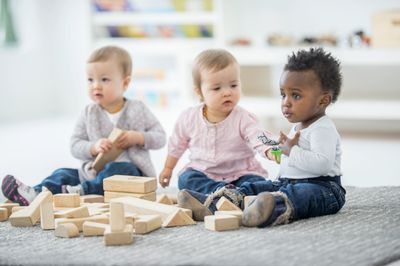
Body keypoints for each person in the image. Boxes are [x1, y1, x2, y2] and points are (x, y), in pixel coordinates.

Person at [178, 47, 346, 226]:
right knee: (256, 187)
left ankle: (271, 209)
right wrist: (278, 150)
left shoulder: (323, 128)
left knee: (301, 195)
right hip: (288, 183)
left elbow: (322, 164)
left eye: (295, 95)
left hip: (324, 188)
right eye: (283, 94)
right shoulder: (299, 126)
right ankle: (218, 203)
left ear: (323, 100)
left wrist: (291, 151)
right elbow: (284, 157)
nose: (286, 102)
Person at [2, 45, 166, 206]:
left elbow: (160, 137)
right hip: (92, 172)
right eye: (90, 80)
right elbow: (75, 145)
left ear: (125, 83)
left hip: (131, 175)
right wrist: (93, 147)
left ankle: (82, 192)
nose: (96, 85)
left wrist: (138, 137)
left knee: (120, 170)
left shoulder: (137, 108)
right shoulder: (89, 112)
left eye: (104, 79)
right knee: (62, 173)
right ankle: (35, 193)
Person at [158, 49, 277, 219]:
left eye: (234, 85)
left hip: (240, 173)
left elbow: (257, 136)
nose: (227, 92)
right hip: (205, 174)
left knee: (260, 184)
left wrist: (270, 150)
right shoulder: (189, 117)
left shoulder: (243, 118)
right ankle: (227, 196)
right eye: (217, 88)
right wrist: (168, 168)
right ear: (199, 92)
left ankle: (221, 200)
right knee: (186, 180)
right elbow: (176, 144)